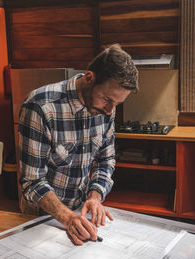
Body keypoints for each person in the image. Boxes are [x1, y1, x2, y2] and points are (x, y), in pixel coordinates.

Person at [18, 44, 139, 245]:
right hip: (40, 214)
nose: (110, 110)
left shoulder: (106, 109)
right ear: (89, 77)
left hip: (79, 210)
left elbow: (105, 159)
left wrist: (95, 197)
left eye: (117, 104)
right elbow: (32, 181)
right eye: (107, 100)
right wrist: (66, 217)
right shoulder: (41, 107)